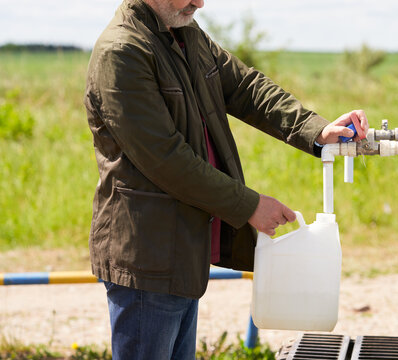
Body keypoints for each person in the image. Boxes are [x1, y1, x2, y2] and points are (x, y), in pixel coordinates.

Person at [84, 0, 369, 358]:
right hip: (146, 255)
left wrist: (316, 129)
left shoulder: (185, 34)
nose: (199, 3)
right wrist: (249, 206)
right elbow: (167, 160)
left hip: (181, 249)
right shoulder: (122, 51)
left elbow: (247, 88)